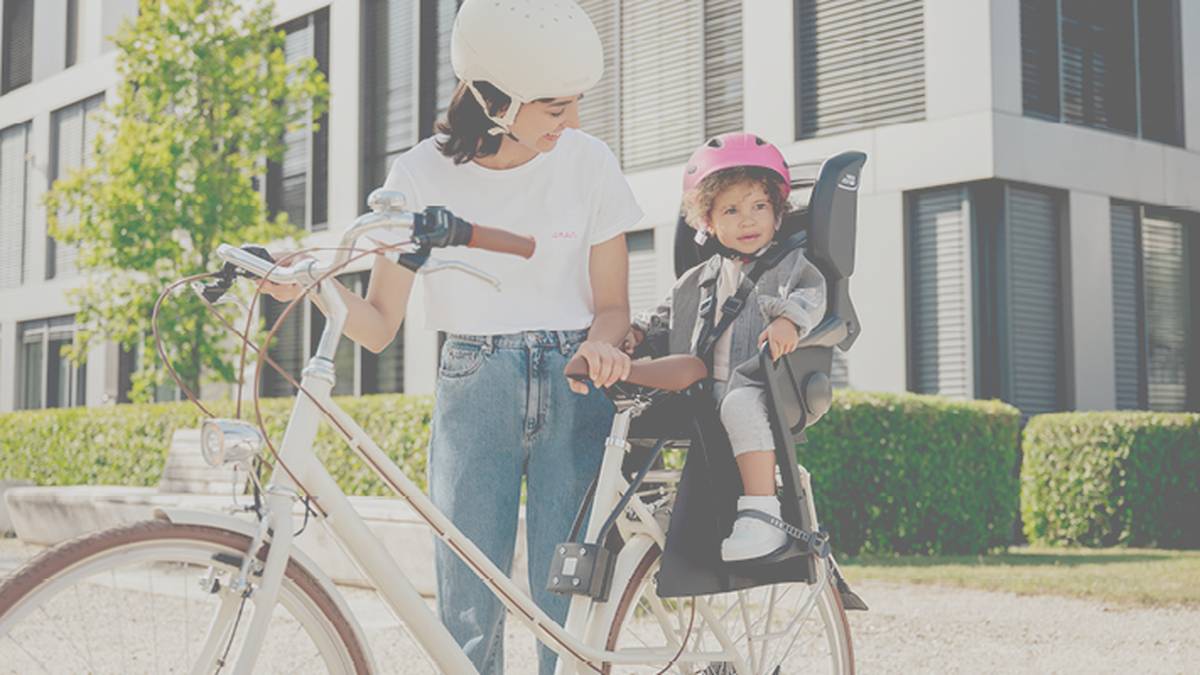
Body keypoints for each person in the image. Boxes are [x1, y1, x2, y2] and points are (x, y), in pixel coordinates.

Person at [264, 2, 640, 672]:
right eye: (556, 107)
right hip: (475, 381)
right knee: (468, 605)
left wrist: (602, 345)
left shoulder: (590, 162)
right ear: (497, 100)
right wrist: (314, 284)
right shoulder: (420, 174)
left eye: (575, 103)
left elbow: (613, 307)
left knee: (569, 601)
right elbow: (378, 326)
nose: (572, 122)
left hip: (576, 380)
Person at [623, 132, 827, 562]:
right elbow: (662, 317)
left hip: (760, 384)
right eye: (731, 210)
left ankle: (762, 514)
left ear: (778, 214)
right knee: (632, 412)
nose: (748, 220)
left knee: (739, 404)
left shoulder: (788, 265)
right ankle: (639, 505)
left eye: (759, 207)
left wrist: (789, 320)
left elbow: (812, 293)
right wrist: (635, 333)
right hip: (699, 393)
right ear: (708, 223)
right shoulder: (698, 278)